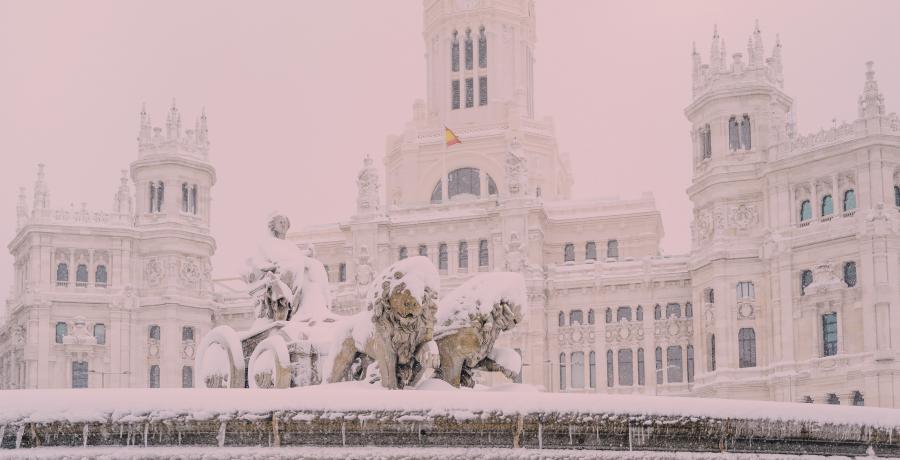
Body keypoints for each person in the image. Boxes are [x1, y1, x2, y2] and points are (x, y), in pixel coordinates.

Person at [242, 213, 334, 324]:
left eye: (285, 222)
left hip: (293, 269)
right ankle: (303, 312)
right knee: (300, 267)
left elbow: (297, 257)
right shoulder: (267, 242)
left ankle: (316, 309)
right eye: (280, 222)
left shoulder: (290, 244)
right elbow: (266, 260)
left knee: (315, 266)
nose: (283, 224)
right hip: (280, 273)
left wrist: (307, 254)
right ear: (273, 226)